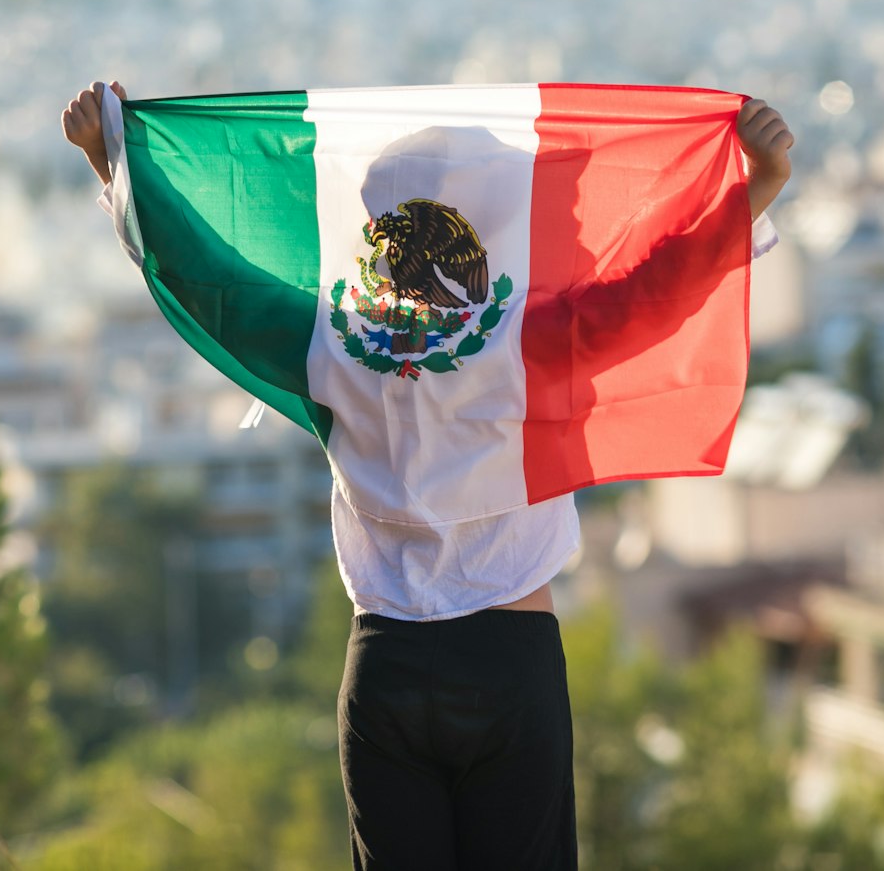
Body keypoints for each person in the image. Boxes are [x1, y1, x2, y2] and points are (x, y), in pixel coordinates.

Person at [62, 80, 795, 871]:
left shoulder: (325, 342)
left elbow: (214, 281)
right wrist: (758, 186)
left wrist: (114, 164)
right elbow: (656, 290)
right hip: (512, 661)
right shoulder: (534, 336)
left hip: (386, 668)